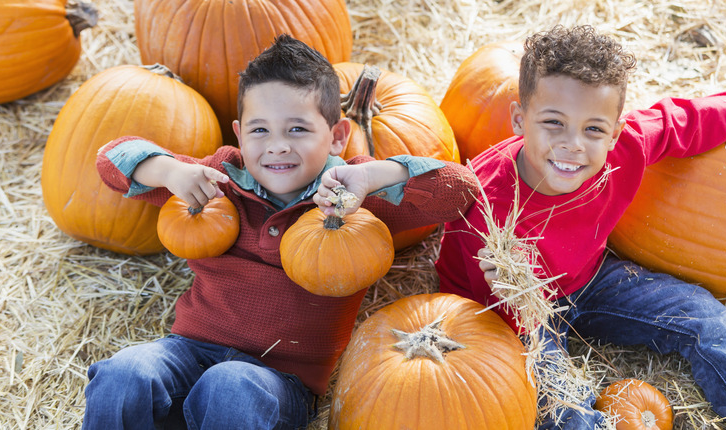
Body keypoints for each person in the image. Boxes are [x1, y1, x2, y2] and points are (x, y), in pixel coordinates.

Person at [84, 34, 478, 430]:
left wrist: (373, 175)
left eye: (297, 130)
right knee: (125, 372)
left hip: (277, 381)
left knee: (230, 386)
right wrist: (168, 171)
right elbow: (110, 160)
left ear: (337, 136)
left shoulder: (351, 197)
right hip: (188, 350)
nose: (276, 146)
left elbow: (460, 191)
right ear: (239, 134)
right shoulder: (219, 179)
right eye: (260, 131)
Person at [436, 25, 726, 429]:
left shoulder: (627, 146)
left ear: (615, 131)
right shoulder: (489, 197)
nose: (574, 144)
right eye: (553, 122)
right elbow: (498, 307)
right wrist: (510, 298)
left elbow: (688, 121)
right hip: (511, 310)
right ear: (519, 118)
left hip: (587, 278)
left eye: (594, 129)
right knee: (556, 396)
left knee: (698, 313)